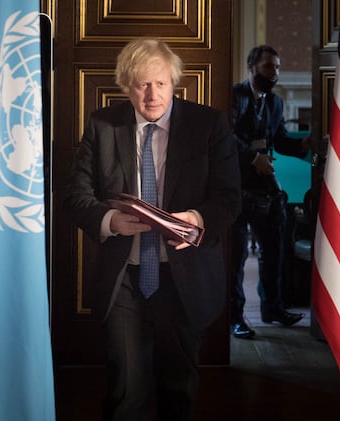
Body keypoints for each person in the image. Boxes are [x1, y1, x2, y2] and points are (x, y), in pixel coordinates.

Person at [61, 38, 241, 420]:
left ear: (174, 83)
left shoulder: (208, 125)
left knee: (178, 389)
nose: (152, 94)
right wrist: (109, 221)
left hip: (183, 277)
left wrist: (197, 218)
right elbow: (74, 197)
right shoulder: (103, 125)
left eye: (160, 83)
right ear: (126, 86)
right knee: (126, 388)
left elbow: (229, 198)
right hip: (123, 277)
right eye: (142, 84)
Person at [229, 45, 310, 339]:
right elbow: (227, 137)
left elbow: (279, 139)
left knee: (273, 250)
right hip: (235, 187)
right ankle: (235, 318)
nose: (274, 73)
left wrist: (304, 145)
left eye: (277, 67)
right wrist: (253, 158)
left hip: (265, 189)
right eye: (268, 67)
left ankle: (273, 309)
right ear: (252, 68)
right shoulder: (234, 96)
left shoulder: (274, 104)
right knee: (235, 258)